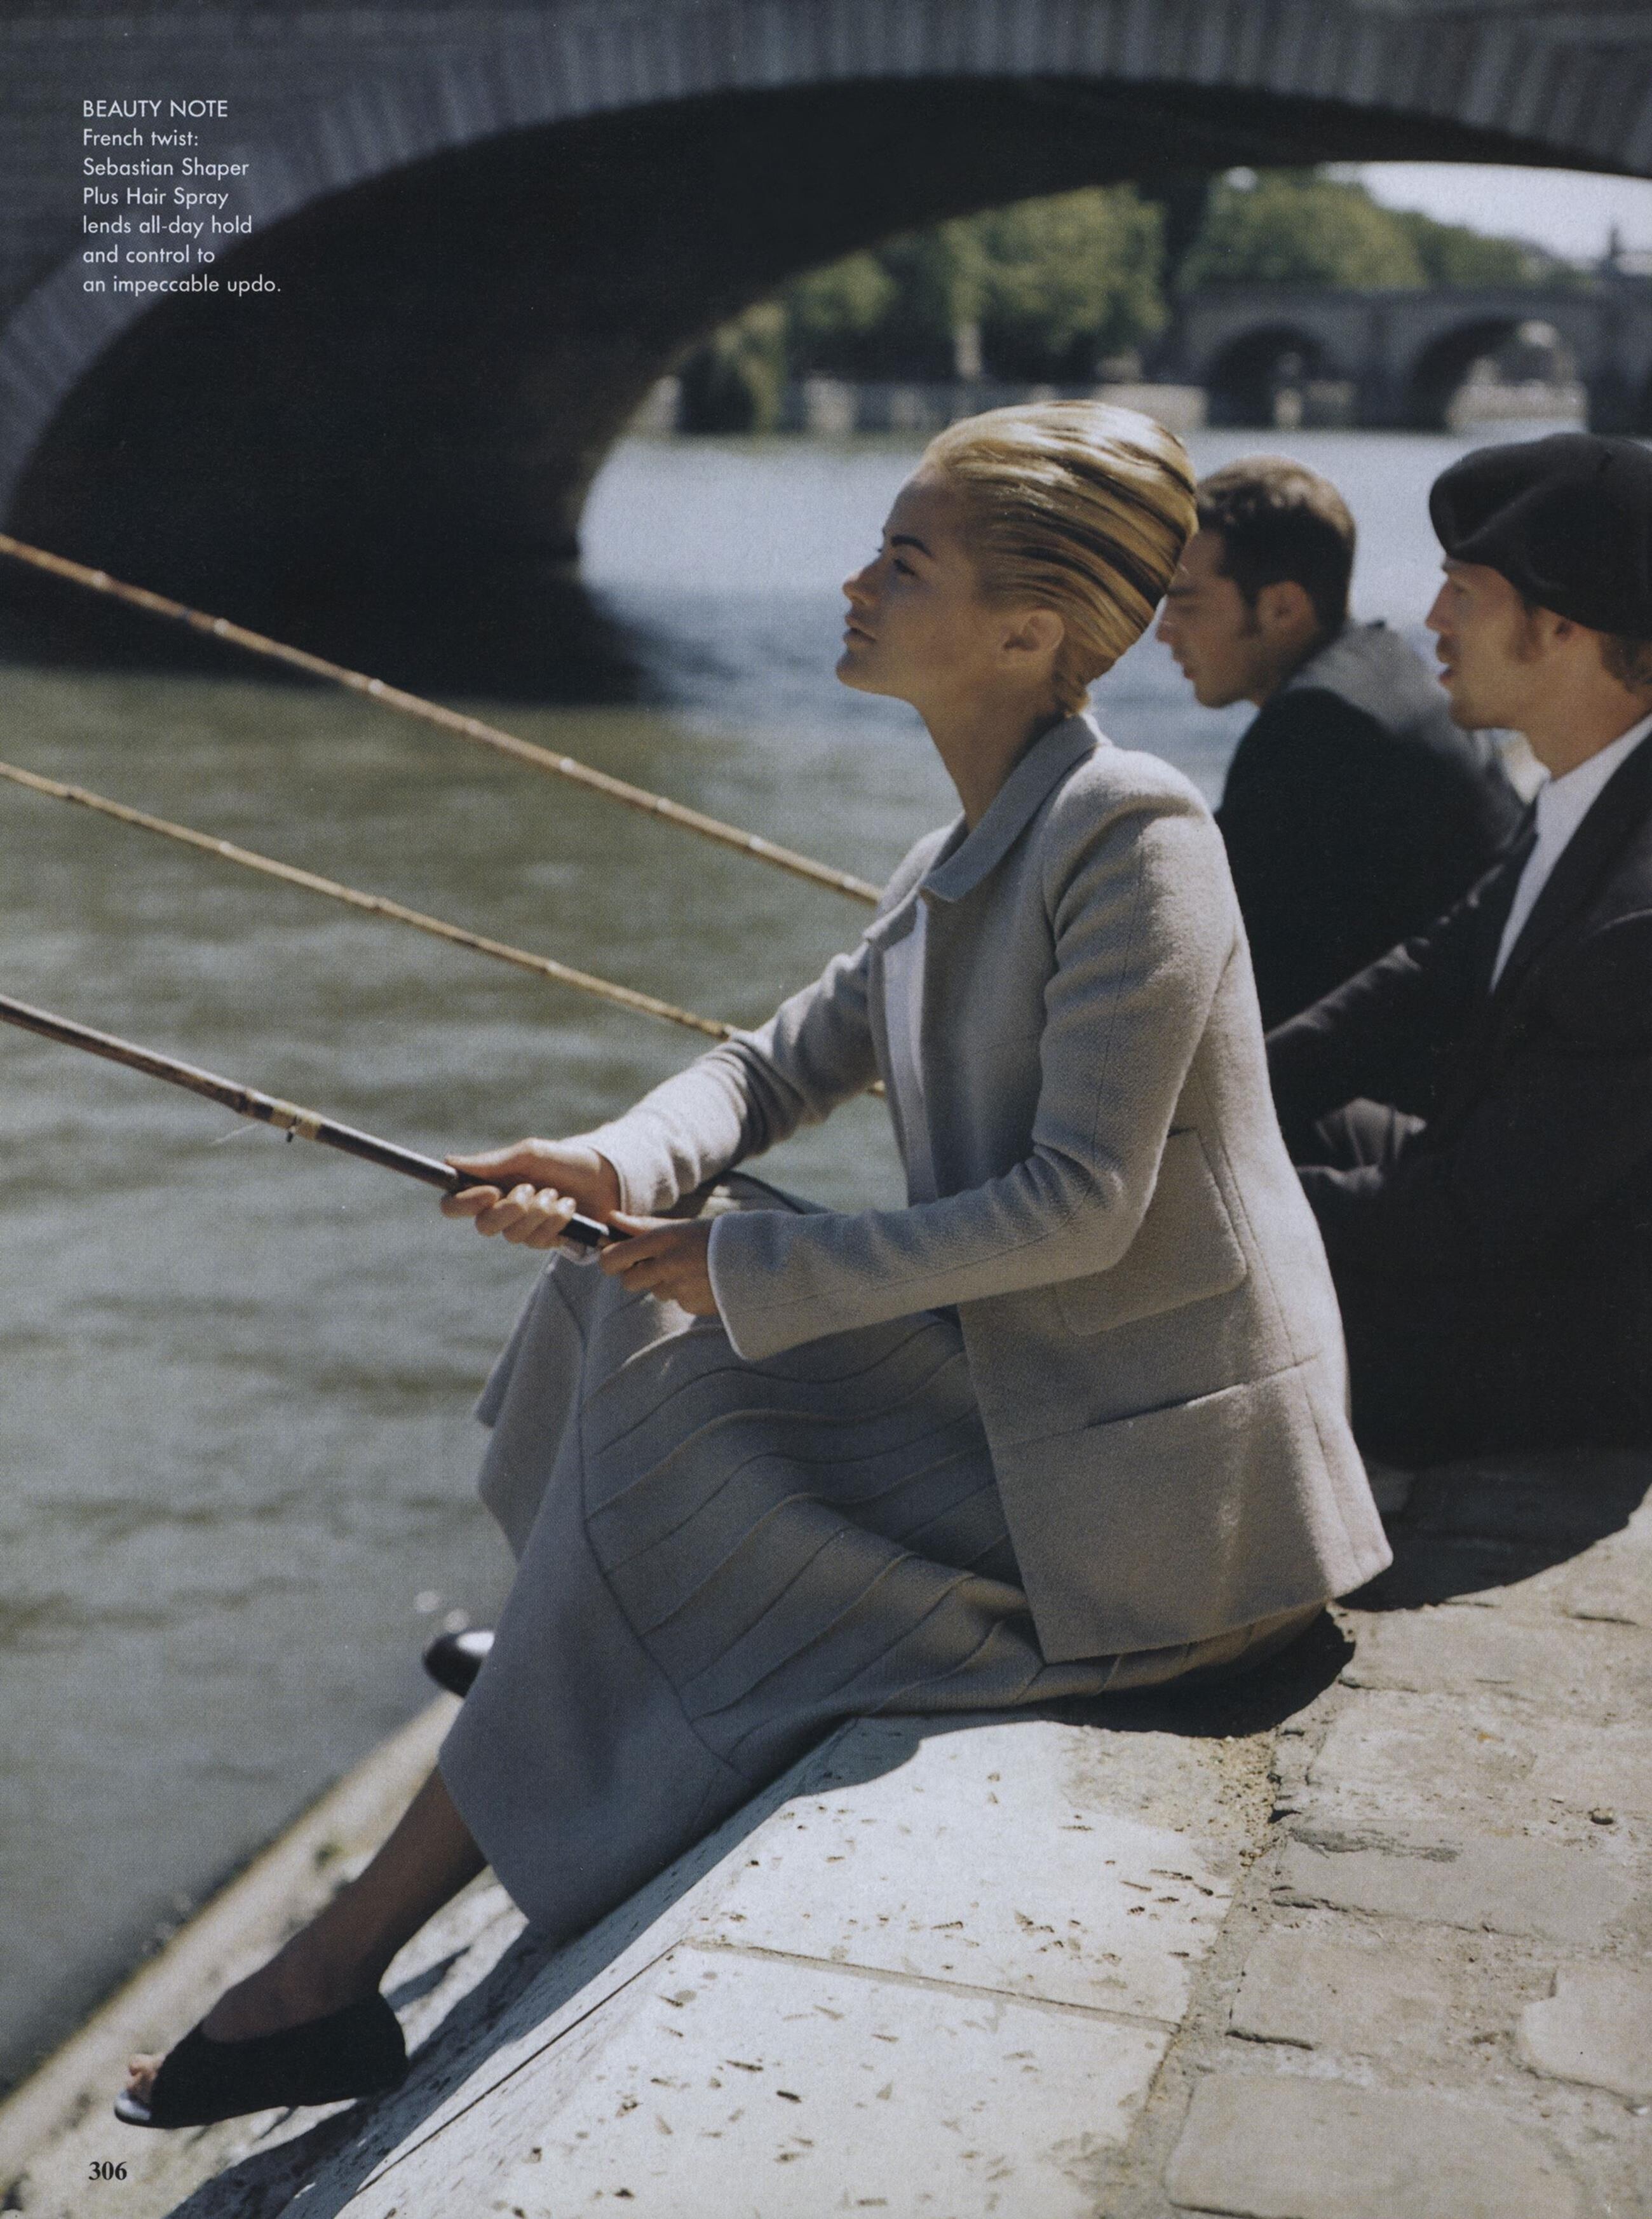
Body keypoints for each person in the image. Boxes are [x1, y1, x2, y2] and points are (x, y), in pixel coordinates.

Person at [119, 402, 1388, 2131]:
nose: (854, 583)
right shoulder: (961, 852)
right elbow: (767, 1068)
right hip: (1035, 1396)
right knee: (610, 1277)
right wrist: (608, 1171)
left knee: (684, 1395)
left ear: (1028, 632)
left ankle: (335, 1963)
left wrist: (739, 1268)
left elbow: (1082, 1205)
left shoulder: (1134, 833)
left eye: (905, 562)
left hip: (1160, 1498)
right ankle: (535, 1697)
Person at [1270, 431, 1652, 1466]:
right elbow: (1425, 972)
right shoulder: (1590, 783)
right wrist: (1203, 1096)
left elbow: (1465, 1220)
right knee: (1233, 1128)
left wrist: (1201, 1199)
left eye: (1465, 593)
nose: (1433, 618)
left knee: (1158, 1280)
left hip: (1546, 1369)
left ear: (1563, 627)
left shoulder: (1638, 919)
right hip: (1507, 1256)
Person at [1157, 456, 1523, 1028]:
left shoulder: (1316, 723)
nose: (1163, 631)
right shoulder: (1386, 664)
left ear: (1282, 607)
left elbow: (1202, 942)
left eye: (1185, 602)